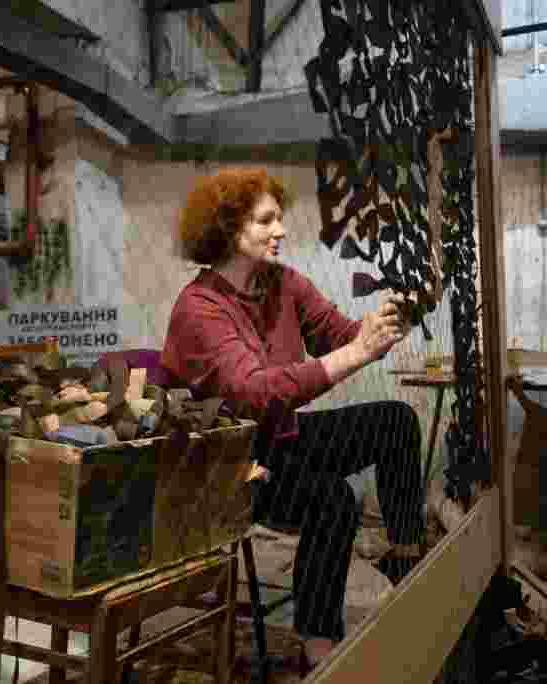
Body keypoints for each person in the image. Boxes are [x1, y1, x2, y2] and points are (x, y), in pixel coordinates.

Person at [160, 167, 425, 669]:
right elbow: (255, 393)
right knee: (333, 499)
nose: (280, 230)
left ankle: (406, 559)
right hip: (227, 464)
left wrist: (380, 324)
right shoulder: (199, 309)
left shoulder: (283, 283)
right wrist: (355, 354)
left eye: (279, 219)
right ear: (227, 229)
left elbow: (338, 335)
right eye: (266, 221)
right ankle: (317, 640)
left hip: (278, 438)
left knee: (395, 420)